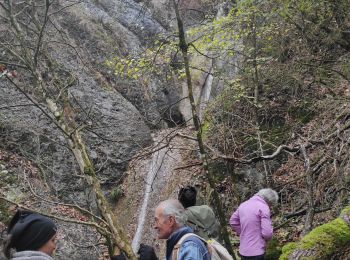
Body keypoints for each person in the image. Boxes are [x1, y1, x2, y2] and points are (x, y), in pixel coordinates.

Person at [229, 188, 278, 260]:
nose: (270, 207)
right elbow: (267, 233)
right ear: (269, 202)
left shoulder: (243, 205)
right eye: (271, 205)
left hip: (243, 251)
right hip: (257, 251)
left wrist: (243, 233)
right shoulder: (264, 207)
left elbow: (233, 221)